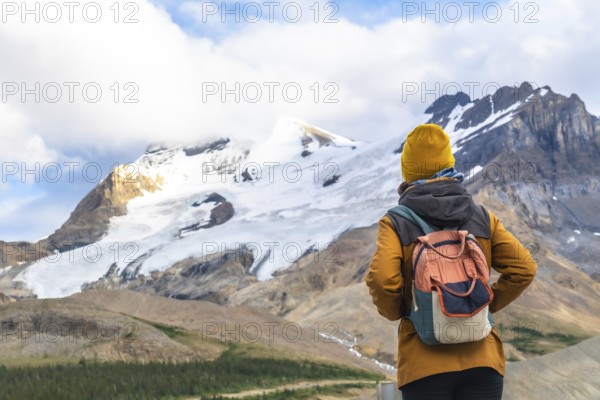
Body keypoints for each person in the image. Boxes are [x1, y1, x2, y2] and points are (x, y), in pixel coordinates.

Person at [365, 124, 537, 400]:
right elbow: (524, 268)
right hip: (483, 361)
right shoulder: (481, 215)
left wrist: (406, 312)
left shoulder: (395, 222)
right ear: (448, 162)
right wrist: (478, 305)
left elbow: (382, 280)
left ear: (408, 170)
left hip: (424, 364)